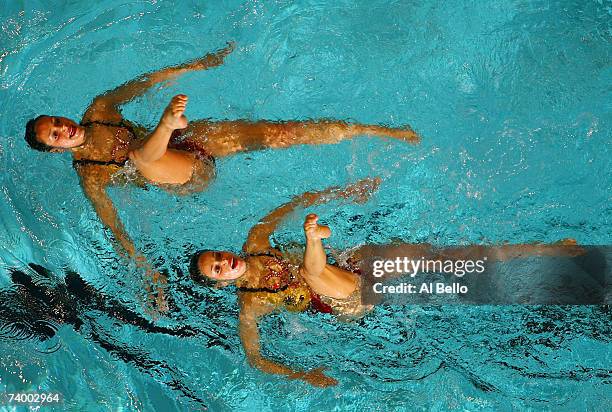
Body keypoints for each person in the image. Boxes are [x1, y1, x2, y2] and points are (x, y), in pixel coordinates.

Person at [23, 42, 420, 304]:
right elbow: (113, 224)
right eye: (55, 136)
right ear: (54, 149)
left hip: (192, 142)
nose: (64, 129)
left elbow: (144, 82)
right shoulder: (92, 173)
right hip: (186, 173)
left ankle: (372, 130)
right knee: (144, 161)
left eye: (57, 121)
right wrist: (144, 267)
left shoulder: (100, 110)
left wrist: (199, 64)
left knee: (282, 132)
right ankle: (165, 127)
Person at [189, 179, 582, 387]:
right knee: (313, 275)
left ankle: (549, 252)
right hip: (345, 300)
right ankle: (314, 243)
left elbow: (291, 204)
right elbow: (256, 359)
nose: (225, 262)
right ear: (222, 285)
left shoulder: (256, 242)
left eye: (218, 256)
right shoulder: (251, 305)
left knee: (444, 257)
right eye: (218, 270)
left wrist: (344, 192)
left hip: (348, 263)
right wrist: (305, 376)